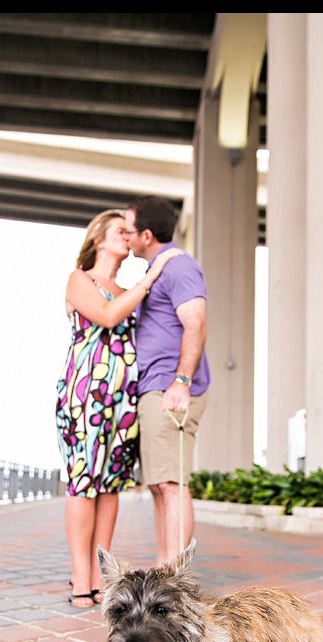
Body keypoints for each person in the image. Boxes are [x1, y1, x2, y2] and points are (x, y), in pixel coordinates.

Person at [56, 209, 181, 607]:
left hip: (122, 398)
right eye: (120, 231)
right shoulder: (81, 279)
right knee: (83, 483)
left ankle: (100, 576)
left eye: (131, 232)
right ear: (99, 238)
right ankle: (80, 578)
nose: (129, 237)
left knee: (110, 486)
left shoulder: (126, 286)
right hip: (85, 393)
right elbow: (108, 316)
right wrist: (151, 275)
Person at [125, 196, 210, 564]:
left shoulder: (179, 268)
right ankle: (165, 571)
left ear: (146, 234)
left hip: (169, 387)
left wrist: (181, 381)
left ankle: (174, 580)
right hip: (156, 385)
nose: (126, 238)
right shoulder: (160, 269)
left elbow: (197, 322)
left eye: (129, 231)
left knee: (172, 485)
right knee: (161, 485)